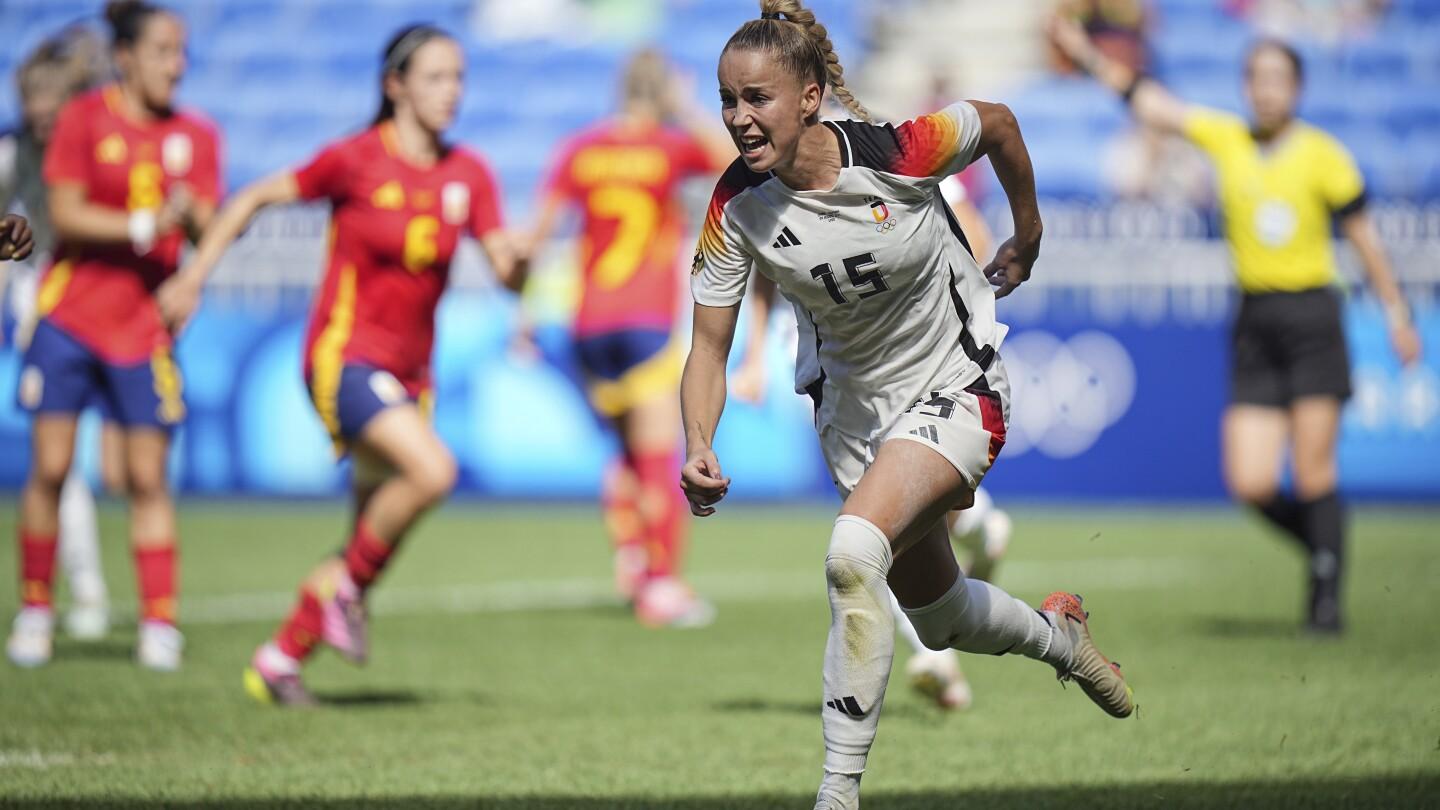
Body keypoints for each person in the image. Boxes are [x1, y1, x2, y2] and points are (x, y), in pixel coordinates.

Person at [682, 3, 1133, 806]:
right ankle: (1059, 638)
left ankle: (836, 794)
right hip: (854, 423)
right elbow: (709, 349)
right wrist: (698, 442)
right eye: (728, 100)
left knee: (853, 553)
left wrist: (1026, 235)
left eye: (758, 99)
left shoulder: (896, 152)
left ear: (811, 98)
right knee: (943, 619)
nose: (739, 119)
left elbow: (996, 123)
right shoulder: (733, 209)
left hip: (956, 384)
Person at [159, 25, 524, 705]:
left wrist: (522, 264)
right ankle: (346, 596)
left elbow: (507, 272)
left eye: (459, 78)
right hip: (344, 357)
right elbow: (252, 197)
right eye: (436, 77)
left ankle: (278, 658)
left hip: (413, 377)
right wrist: (195, 273)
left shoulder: (468, 174)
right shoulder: (356, 159)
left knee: (369, 536)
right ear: (395, 86)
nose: (453, 92)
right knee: (433, 471)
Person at [1050, 19, 1422, 634]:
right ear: (1246, 88)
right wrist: (1088, 55)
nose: (1266, 91)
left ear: (1297, 89)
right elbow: (1151, 103)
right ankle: (1324, 543)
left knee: (1313, 471)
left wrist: (1397, 313)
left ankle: (1324, 602)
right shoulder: (1227, 138)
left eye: (1278, 79)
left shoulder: (1324, 155)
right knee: (1249, 479)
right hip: (1255, 318)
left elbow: (1366, 242)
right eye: (1257, 79)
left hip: (1312, 318)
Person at [7, 0, 219, 671]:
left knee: (147, 477)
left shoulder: (198, 135)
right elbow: (64, 211)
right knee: (51, 467)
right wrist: (144, 224)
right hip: (69, 317)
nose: (175, 65)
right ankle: (37, 609)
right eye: (163, 51)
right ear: (124, 56)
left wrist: (190, 220)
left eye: (181, 52)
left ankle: (159, 622)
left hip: (144, 329)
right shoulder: (84, 118)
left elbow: (207, 225)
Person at [733, 271, 1012, 711]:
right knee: (883, 516)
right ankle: (944, 632)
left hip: (900, 349)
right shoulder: (765, 203)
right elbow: (764, 262)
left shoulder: (913, 198)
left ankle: (945, 630)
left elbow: (965, 240)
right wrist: (753, 356)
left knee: (893, 516)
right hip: (824, 356)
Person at [528, 49, 732, 627]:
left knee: (622, 457)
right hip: (643, 320)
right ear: (661, 92)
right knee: (657, 457)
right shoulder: (666, 147)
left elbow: (539, 233)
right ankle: (661, 586)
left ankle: (632, 555)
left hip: (588, 323)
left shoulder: (581, 149)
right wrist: (687, 108)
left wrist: (523, 311)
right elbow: (733, 162)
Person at [1, 28, 115, 645]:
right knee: (58, 462)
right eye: (34, 112)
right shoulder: (14, 153)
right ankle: (81, 587)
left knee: (125, 467)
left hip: (104, 299)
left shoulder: (97, 142)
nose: (43, 122)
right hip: (43, 303)